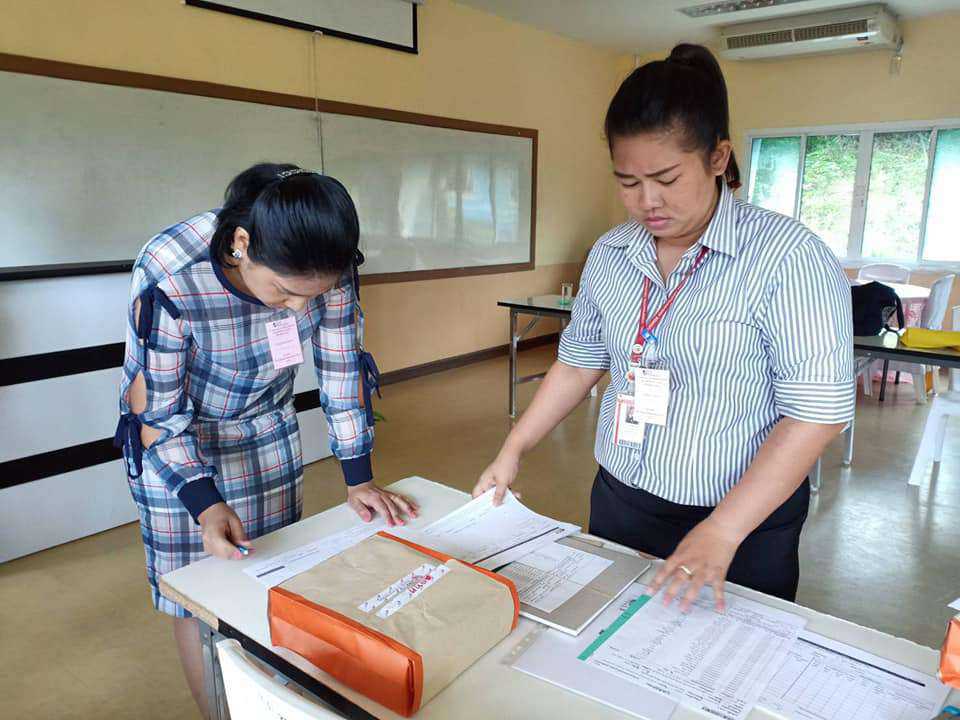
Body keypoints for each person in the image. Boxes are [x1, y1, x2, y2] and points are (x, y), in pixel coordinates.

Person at [474, 44, 854, 613]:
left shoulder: (787, 257)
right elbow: (578, 363)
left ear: (718, 157)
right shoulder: (611, 254)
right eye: (627, 182)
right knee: (607, 642)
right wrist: (514, 447)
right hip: (621, 501)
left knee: (714, 662)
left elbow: (817, 413)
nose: (647, 201)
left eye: (666, 178)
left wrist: (723, 529)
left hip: (741, 522)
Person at [115, 162, 417, 716]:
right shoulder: (172, 273)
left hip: (266, 426)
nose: (300, 307)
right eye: (283, 291)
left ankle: (273, 702)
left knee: (270, 575)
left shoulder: (328, 264)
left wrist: (358, 477)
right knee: (199, 597)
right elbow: (156, 412)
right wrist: (204, 504)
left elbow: (341, 369)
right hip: (177, 444)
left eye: (312, 295)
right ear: (241, 244)